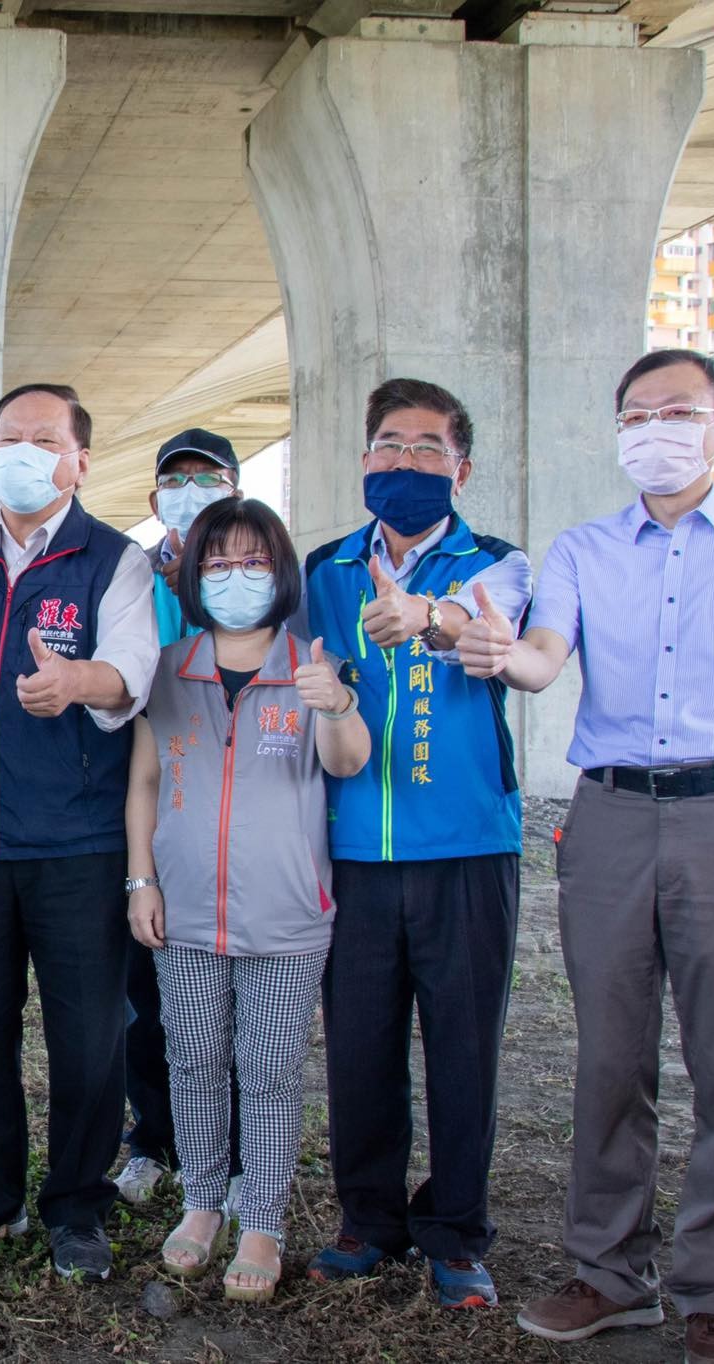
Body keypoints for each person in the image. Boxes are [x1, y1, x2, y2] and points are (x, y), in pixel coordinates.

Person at [460, 349, 714, 1364]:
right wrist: (506, 654)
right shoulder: (586, 548)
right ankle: (606, 1271)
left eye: (677, 409)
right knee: (607, 1055)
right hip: (610, 819)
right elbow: (545, 656)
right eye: (635, 412)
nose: (654, 428)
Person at [0, 383, 158, 1280]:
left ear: (80, 460)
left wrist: (77, 682)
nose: (23, 452)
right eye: (8, 437)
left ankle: (77, 1203)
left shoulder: (114, 560)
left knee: (88, 1032)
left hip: (76, 845)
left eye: (44, 439)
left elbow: (132, 671)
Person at [299, 377, 532, 1309]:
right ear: (364, 461)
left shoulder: (497, 562)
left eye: (427, 448)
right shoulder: (327, 570)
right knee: (359, 1045)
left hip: (468, 847)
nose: (405, 462)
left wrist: (433, 618)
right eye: (389, 445)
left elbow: (500, 638)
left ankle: (458, 1230)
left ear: (461, 468)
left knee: (464, 1048)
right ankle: (369, 1218)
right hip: (353, 850)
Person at [126, 497, 368, 1300]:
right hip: (185, 909)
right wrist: (141, 879)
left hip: (288, 916)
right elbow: (146, 783)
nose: (236, 576)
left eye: (254, 561)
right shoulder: (168, 666)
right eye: (218, 562)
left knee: (267, 1068)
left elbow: (345, 762)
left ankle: (260, 1217)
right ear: (194, 575)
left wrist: (334, 704)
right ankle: (202, 1204)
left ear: (281, 572)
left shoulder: (309, 665)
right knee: (192, 1060)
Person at [119, 428, 242, 1208]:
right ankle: (150, 1138)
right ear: (155, 496)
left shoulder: (253, 571)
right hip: (146, 798)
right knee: (145, 985)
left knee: (228, 989)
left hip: (233, 806)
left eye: (208, 477)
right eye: (177, 478)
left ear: (234, 487)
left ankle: (230, 1155)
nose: (190, 490)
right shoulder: (131, 576)